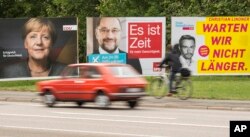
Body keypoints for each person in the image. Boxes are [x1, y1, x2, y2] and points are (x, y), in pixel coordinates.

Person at [0, 18, 66, 78]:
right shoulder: (8, 72)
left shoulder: (67, 70)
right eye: (33, 37)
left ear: (52, 43)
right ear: (25, 43)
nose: (39, 42)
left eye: (45, 37)